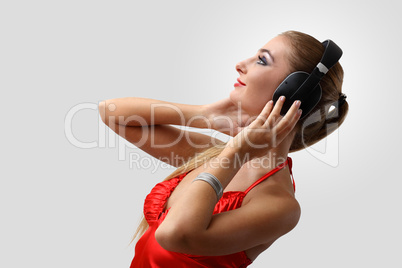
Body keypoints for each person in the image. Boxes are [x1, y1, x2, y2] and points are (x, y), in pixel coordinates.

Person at [98, 30, 348, 267]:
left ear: (295, 93)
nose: (241, 64)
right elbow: (111, 113)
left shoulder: (279, 205)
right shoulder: (214, 154)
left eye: (262, 60)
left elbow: (174, 234)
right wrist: (205, 115)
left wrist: (236, 152)